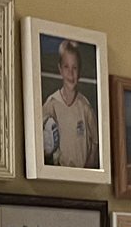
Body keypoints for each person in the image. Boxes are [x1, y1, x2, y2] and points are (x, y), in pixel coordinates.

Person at [40, 39, 99, 169]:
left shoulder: (85, 107)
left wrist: (88, 168)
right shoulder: (51, 104)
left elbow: (95, 142)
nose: (70, 73)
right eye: (66, 67)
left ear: (80, 71)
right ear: (60, 69)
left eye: (74, 68)